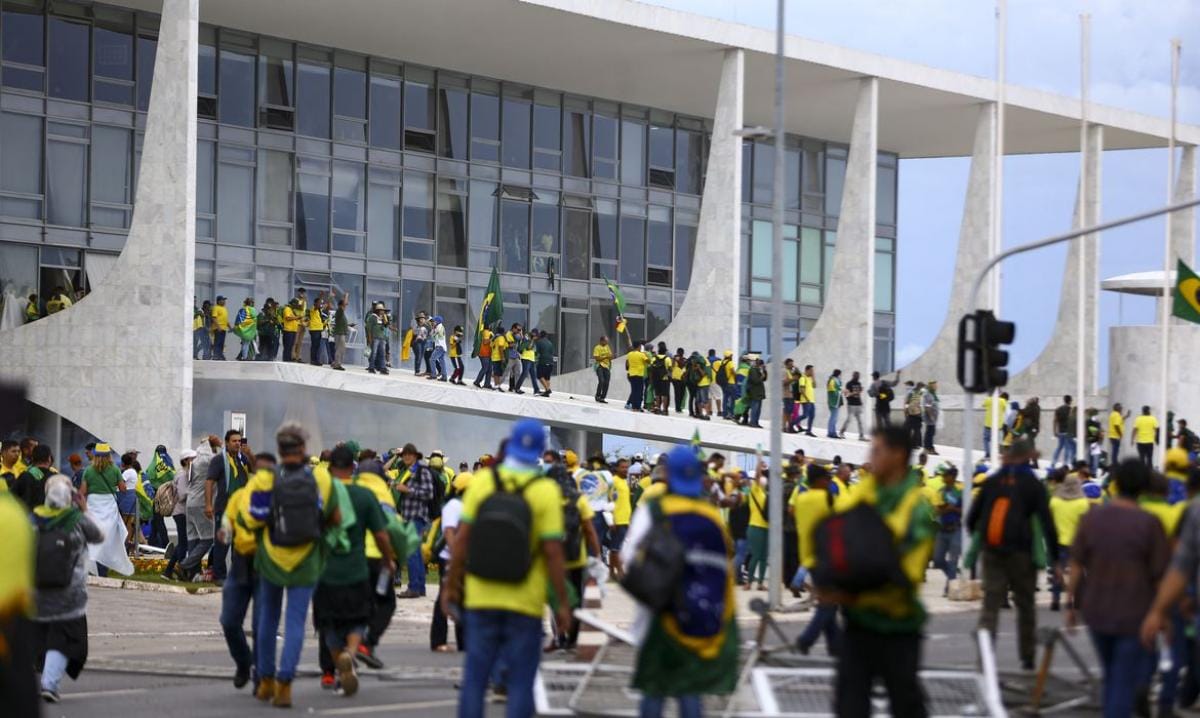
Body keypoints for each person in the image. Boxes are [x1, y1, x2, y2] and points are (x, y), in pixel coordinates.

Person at [441, 418, 571, 718]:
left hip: (481, 595)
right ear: (541, 450)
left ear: (510, 444)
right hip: (525, 601)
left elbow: (461, 541)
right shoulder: (546, 491)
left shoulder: (483, 482)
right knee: (521, 683)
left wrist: (450, 585)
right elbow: (553, 552)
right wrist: (561, 602)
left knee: (475, 678)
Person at [821, 426, 933, 717]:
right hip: (858, 625)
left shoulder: (915, 508)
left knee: (906, 705)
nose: (870, 457)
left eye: (877, 450)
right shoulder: (864, 493)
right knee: (849, 705)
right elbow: (838, 532)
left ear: (898, 455)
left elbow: (907, 573)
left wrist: (854, 587)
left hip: (898, 626)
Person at [621, 445, 738, 718]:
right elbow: (725, 569)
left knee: (655, 687)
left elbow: (630, 556)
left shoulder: (656, 510)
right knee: (690, 690)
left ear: (668, 475)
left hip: (659, 614)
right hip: (699, 616)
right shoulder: (711, 516)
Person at [240, 423, 341, 708]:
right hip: (307, 559)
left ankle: (265, 681)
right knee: (296, 622)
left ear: (279, 450)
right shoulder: (321, 479)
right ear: (303, 449)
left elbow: (252, 519)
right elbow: (336, 517)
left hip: (271, 558)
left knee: (268, 618)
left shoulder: (264, 479)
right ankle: (285, 685)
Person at [1068, 460, 1168, 718]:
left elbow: (1076, 564)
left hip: (1096, 611)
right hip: (1133, 615)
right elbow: (1159, 575)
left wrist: (1070, 604)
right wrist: (1162, 614)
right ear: (1144, 487)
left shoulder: (1092, 518)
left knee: (1113, 675)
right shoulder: (1149, 523)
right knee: (1123, 681)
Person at [967, 438, 1059, 670]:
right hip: (1022, 553)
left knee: (990, 606)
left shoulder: (992, 481)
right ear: (1028, 456)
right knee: (1026, 605)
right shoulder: (1033, 484)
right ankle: (1027, 658)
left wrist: (982, 543)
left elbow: (972, 518)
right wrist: (1055, 559)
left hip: (992, 552)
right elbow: (1047, 523)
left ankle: (984, 661)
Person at [316, 446, 396, 697]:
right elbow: (382, 535)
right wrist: (388, 559)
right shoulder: (364, 496)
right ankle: (350, 656)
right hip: (356, 570)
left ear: (329, 468)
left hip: (326, 572)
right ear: (353, 468)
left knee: (329, 625)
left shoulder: (323, 496)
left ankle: (337, 663)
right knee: (358, 620)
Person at [32, 475, 104, 703]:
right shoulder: (76, 520)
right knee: (63, 639)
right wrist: (84, 509)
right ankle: (49, 684)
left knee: (43, 635)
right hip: (70, 594)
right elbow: (99, 535)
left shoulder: (35, 519)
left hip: (39, 589)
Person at [218, 455, 262, 692]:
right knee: (229, 620)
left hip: (267, 565)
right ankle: (244, 663)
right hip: (242, 563)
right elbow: (226, 526)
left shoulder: (279, 498)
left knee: (261, 624)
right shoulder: (239, 497)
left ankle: (261, 676)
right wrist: (225, 532)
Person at [791, 464, 839, 655]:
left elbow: (791, 513)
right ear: (819, 480)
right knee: (828, 604)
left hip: (808, 557)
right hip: (826, 557)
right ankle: (805, 640)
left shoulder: (801, 499)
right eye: (827, 479)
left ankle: (837, 647)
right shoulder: (826, 497)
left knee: (829, 602)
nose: (829, 482)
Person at [79, 445, 134, 577]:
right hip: (109, 506)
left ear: (95, 455)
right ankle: (103, 571)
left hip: (92, 506)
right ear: (109, 455)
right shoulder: (114, 469)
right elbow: (122, 489)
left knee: (92, 538)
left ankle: (92, 569)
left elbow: (82, 492)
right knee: (107, 540)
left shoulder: (88, 470)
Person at [432, 472, 471, 653]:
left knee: (462, 599)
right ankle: (438, 640)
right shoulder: (454, 506)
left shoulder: (466, 505)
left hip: (461, 558)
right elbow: (449, 532)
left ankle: (464, 642)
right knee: (445, 598)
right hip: (450, 558)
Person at [206, 429, 251, 585]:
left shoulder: (243, 459)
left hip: (241, 510)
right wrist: (208, 505)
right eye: (234, 441)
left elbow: (257, 470)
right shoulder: (219, 460)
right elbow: (209, 481)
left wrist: (250, 454)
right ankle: (219, 576)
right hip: (224, 508)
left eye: (239, 441)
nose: (238, 444)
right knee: (222, 543)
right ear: (226, 443)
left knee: (239, 545)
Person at [393, 443, 436, 598]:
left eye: (409, 454)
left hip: (416, 516)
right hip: (410, 516)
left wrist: (408, 490)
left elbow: (428, 493)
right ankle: (419, 587)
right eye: (404, 454)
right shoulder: (409, 472)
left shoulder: (421, 471)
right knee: (415, 552)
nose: (406, 457)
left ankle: (413, 587)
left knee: (411, 552)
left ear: (415, 456)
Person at [176, 435, 220, 581]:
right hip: (202, 503)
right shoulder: (209, 460)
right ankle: (184, 565)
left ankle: (190, 574)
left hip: (190, 504)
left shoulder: (194, 462)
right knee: (208, 539)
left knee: (193, 539)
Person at [1048, 474, 1090, 612]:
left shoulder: (1055, 501)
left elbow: (1050, 519)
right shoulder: (1083, 502)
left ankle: (1055, 599)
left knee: (1058, 571)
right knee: (1078, 572)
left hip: (1059, 541)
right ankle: (1077, 600)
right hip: (1077, 542)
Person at [162, 450, 195, 580]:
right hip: (181, 512)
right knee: (184, 543)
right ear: (186, 460)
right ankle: (182, 571)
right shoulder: (182, 476)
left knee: (183, 542)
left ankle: (168, 571)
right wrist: (196, 492)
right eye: (193, 459)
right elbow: (182, 495)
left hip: (182, 512)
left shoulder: (186, 474)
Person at [930, 465, 963, 596]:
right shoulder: (941, 491)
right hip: (942, 530)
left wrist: (953, 509)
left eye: (946, 475)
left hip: (956, 529)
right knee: (937, 559)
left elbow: (966, 510)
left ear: (953, 477)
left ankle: (949, 587)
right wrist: (946, 509)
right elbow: (936, 510)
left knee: (953, 560)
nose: (943, 478)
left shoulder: (960, 491)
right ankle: (953, 576)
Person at [744, 461, 769, 591]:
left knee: (764, 557)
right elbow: (758, 476)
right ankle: (749, 582)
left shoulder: (765, 493)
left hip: (766, 527)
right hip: (755, 527)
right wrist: (758, 465)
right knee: (756, 555)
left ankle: (760, 583)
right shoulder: (755, 490)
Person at [11, 443, 53, 512]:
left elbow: (12, 497)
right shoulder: (56, 478)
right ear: (49, 459)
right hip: (50, 519)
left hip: (27, 519)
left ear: (32, 459)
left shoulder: (25, 475)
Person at [329, 292, 353, 371]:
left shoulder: (340, 313)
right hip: (340, 334)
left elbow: (341, 322)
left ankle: (335, 363)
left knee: (340, 349)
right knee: (340, 349)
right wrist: (346, 296)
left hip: (341, 332)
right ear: (341, 305)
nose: (346, 306)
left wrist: (348, 325)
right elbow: (345, 303)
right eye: (344, 305)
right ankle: (337, 364)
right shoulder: (339, 311)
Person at [981, 392, 1008, 458]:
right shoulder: (1003, 401)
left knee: (986, 439)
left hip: (988, 423)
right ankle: (996, 453)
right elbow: (1006, 409)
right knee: (996, 440)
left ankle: (988, 453)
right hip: (998, 425)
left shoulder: (989, 399)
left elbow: (983, 405)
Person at [365, 302, 390, 375]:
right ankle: (371, 367)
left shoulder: (381, 318)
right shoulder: (372, 317)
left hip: (381, 338)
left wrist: (385, 319)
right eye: (381, 310)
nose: (383, 311)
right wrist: (369, 338)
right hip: (375, 337)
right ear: (378, 310)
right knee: (373, 353)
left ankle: (382, 367)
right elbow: (368, 327)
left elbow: (385, 326)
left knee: (382, 353)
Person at [841, 371, 866, 441]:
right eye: (857, 376)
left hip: (858, 404)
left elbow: (859, 394)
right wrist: (855, 393)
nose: (858, 377)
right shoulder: (849, 384)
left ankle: (861, 436)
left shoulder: (859, 383)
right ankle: (841, 432)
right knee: (849, 420)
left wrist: (860, 393)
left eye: (858, 376)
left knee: (860, 421)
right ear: (853, 376)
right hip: (851, 404)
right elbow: (846, 395)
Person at [1052, 395, 1077, 466]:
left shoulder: (1058, 409)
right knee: (1068, 448)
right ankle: (1065, 464)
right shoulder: (1071, 410)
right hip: (1068, 432)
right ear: (1070, 401)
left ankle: (1054, 462)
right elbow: (1073, 421)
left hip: (1060, 431)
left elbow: (1055, 420)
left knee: (1059, 447)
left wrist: (1054, 431)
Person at [743, 357, 766, 428]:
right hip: (754, 392)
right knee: (755, 408)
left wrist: (764, 371)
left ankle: (756, 422)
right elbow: (755, 381)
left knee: (758, 409)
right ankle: (752, 422)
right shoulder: (753, 370)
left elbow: (765, 379)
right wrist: (762, 376)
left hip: (759, 392)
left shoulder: (759, 370)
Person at [626, 341, 648, 412]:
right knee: (639, 391)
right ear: (639, 346)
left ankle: (634, 406)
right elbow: (648, 361)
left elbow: (627, 365)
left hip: (631, 374)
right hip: (639, 375)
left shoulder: (629, 354)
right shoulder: (641, 355)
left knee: (634, 391)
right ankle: (637, 406)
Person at [308, 294, 328, 366]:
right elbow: (317, 306)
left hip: (318, 329)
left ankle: (316, 359)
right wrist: (320, 297)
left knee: (317, 345)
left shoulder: (319, 310)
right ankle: (313, 360)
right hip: (314, 329)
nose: (320, 304)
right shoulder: (313, 308)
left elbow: (325, 305)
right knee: (314, 345)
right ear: (315, 303)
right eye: (319, 303)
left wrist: (329, 297)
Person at [921, 381, 940, 454]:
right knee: (929, 433)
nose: (936, 386)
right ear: (931, 386)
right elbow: (927, 406)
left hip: (933, 417)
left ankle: (929, 448)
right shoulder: (928, 394)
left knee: (931, 432)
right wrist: (931, 416)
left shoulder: (933, 394)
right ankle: (927, 448)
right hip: (930, 417)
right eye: (935, 385)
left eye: (936, 385)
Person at [534, 330, 554, 396]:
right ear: (546, 335)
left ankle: (548, 390)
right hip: (551, 362)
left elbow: (536, 352)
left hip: (543, 361)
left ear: (540, 335)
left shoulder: (539, 342)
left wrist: (535, 359)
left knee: (540, 376)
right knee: (547, 378)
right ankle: (546, 393)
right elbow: (552, 352)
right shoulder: (550, 343)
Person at [797, 365, 817, 436]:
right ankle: (792, 423)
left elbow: (815, 386)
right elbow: (801, 390)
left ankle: (809, 431)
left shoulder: (810, 378)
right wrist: (807, 399)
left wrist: (813, 377)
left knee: (812, 416)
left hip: (811, 400)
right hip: (806, 400)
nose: (812, 372)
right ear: (807, 370)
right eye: (811, 370)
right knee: (805, 415)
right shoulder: (802, 378)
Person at [473, 322, 493, 388]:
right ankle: (477, 381)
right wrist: (491, 339)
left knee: (489, 369)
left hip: (487, 353)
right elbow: (485, 342)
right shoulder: (486, 332)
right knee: (485, 368)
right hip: (484, 353)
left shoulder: (485, 332)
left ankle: (487, 384)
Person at [281, 298, 301, 363]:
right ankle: (286, 358)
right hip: (288, 330)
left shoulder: (292, 310)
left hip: (293, 330)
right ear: (293, 304)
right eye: (296, 304)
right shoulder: (287, 309)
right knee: (287, 345)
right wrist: (296, 317)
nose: (297, 306)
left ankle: (288, 358)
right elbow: (287, 318)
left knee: (290, 345)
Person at [429, 315, 448, 381]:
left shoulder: (439, 327)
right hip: (442, 347)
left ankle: (433, 375)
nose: (433, 322)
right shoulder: (439, 327)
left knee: (432, 359)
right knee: (442, 362)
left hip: (440, 347)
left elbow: (436, 338)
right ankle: (444, 377)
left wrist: (433, 333)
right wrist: (433, 330)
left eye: (434, 321)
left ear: (437, 322)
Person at [210, 295, 230, 360]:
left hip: (223, 328)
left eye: (224, 300)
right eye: (223, 300)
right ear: (219, 301)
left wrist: (230, 327)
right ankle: (215, 355)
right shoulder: (216, 308)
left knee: (221, 343)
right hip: (218, 328)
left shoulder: (224, 309)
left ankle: (220, 355)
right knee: (217, 342)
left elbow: (225, 320)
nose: (224, 301)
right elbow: (214, 318)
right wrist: (218, 327)